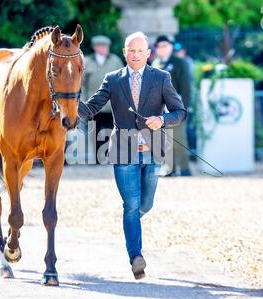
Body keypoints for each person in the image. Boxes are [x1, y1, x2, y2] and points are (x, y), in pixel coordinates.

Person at [78, 32, 187, 279]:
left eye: (140, 51)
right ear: (124, 52)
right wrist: (66, 99)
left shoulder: (161, 78)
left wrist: (162, 119)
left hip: (153, 150)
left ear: (148, 54)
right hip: (123, 151)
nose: (135, 55)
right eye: (131, 50)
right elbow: (91, 108)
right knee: (131, 206)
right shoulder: (113, 79)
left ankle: (132, 226)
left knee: (145, 205)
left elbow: (180, 111)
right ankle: (136, 257)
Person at [152, 35, 191, 176]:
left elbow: (186, 86)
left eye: (165, 45)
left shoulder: (179, 62)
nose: (162, 48)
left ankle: (184, 168)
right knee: (166, 139)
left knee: (179, 138)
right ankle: (170, 168)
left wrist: (184, 107)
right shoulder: (156, 63)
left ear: (170, 46)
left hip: (176, 106)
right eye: (159, 46)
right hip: (162, 107)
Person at [81, 35, 124, 162]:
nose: (104, 49)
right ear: (95, 47)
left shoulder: (115, 60)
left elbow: (122, 80)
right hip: (93, 104)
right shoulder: (87, 61)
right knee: (95, 132)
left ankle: (110, 156)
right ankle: (98, 158)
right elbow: (81, 83)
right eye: (101, 46)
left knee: (112, 131)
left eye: (106, 46)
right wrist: (84, 101)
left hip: (112, 104)